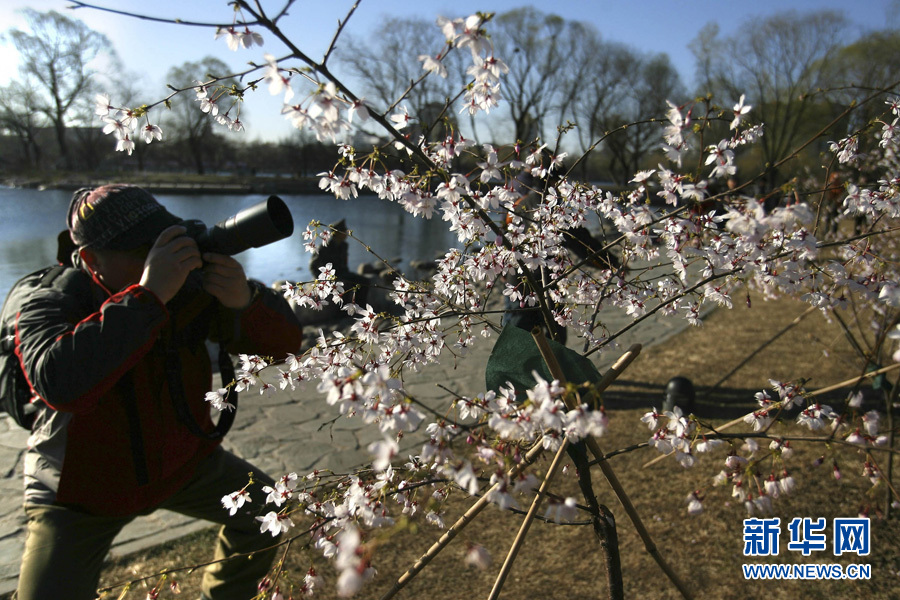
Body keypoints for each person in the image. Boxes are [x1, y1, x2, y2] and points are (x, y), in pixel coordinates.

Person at [12, 184, 304, 600]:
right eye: (142, 249)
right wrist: (148, 298)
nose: (163, 258)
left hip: (181, 467)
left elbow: (284, 345)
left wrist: (245, 300)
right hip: (81, 491)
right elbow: (59, 383)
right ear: (91, 258)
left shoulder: (189, 286)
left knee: (266, 508)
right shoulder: (51, 298)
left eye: (165, 239)